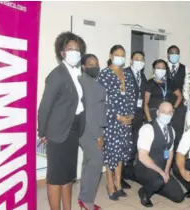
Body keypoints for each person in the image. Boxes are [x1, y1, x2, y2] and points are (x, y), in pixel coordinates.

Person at [37, 31, 86, 210]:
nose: (74, 51)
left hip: (72, 131)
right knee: (56, 178)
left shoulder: (76, 73)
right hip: (58, 132)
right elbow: (44, 107)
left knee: (68, 176)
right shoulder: (57, 74)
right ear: (62, 52)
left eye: (77, 49)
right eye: (70, 48)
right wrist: (42, 132)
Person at [98, 45, 136, 200]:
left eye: (122, 55)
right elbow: (101, 101)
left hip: (126, 121)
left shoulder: (126, 74)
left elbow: (133, 96)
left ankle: (118, 183)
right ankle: (110, 185)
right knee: (110, 154)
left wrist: (131, 115)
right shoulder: (104, 74)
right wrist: (116, 116)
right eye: (117, 54)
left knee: (120, 153)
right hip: (111, 121)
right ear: (111, 55)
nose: (120, 57)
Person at [135, 102, 185, 207]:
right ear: (157, 112)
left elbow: (169, 153)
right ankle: (144, 192)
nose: (167, 115)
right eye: (163, 112)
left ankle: (156, 186)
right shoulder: (148, 129)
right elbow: (142, 156)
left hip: (161, 169)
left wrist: (166, 170)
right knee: (159, 180)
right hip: (145, 168)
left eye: (170, 112)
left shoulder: (171, 130)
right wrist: (161, 172)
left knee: (179, 197)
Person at [77, 54, 106, 210]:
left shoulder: (88, 81)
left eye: (96, 63)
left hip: (87, 128)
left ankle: (83, 198)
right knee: (95, 163)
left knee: (88, 163)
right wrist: (98, 135)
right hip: (91, 129)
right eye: (90, 63)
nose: (94, 66)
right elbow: (90, 112)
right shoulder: (86, 83)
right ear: (83, 66)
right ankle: (87, 201)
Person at [121, 51, 148, 189]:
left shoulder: (142, 76)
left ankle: (128, 172)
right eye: (137, 59)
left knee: (133, 147)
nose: (139, 61)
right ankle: (118, 177)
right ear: (131, 61)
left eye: (142, 59)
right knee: (124, 147)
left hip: (138, 117)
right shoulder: (124, 73)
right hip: (125, 117)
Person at [167, 45, 188, 150]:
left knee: (178, 133)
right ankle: (166, 159)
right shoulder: (162, 67)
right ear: (168, 55)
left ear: (179, 55)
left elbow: (187, 87)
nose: (174, 55)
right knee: (165, 133)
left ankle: (176, 161)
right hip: (165, 104)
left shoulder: (185, 68)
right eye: (172, 53)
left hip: (180, 106)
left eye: (176, 53)